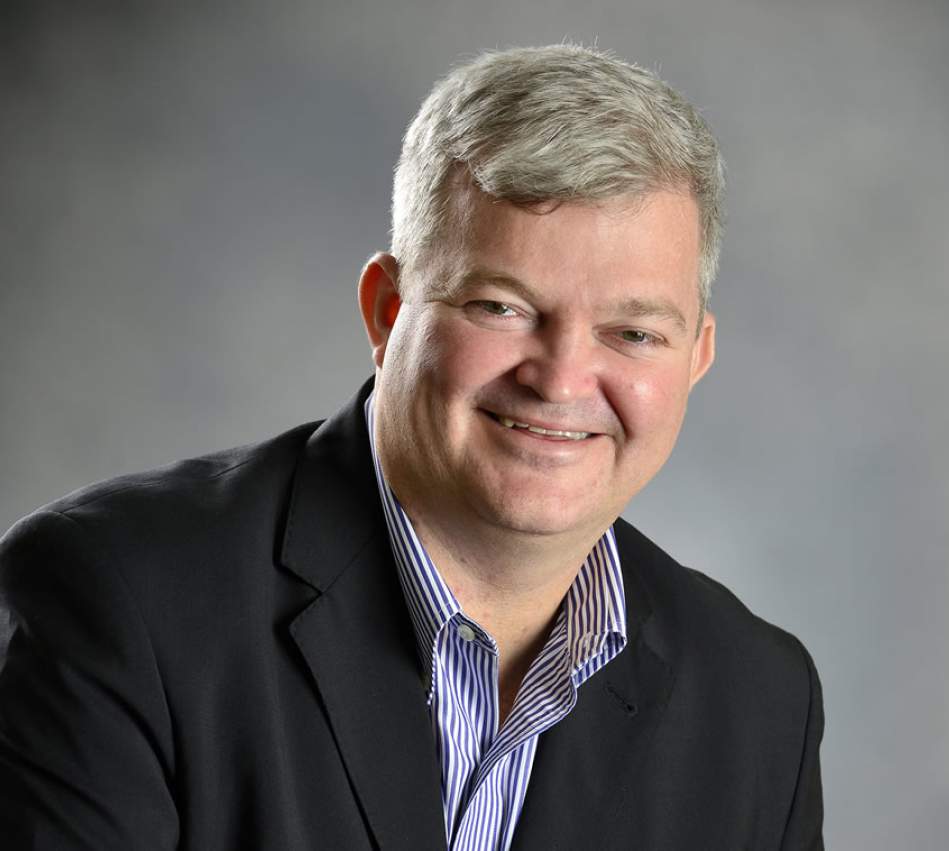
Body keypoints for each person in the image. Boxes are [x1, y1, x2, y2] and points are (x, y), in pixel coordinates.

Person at [0, 44, 823, 850]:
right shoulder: (122, 598)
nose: (561, 379)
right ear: (387, 312)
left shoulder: (760, 704)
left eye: (634, 332)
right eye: (501, 307)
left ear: (695, 358)